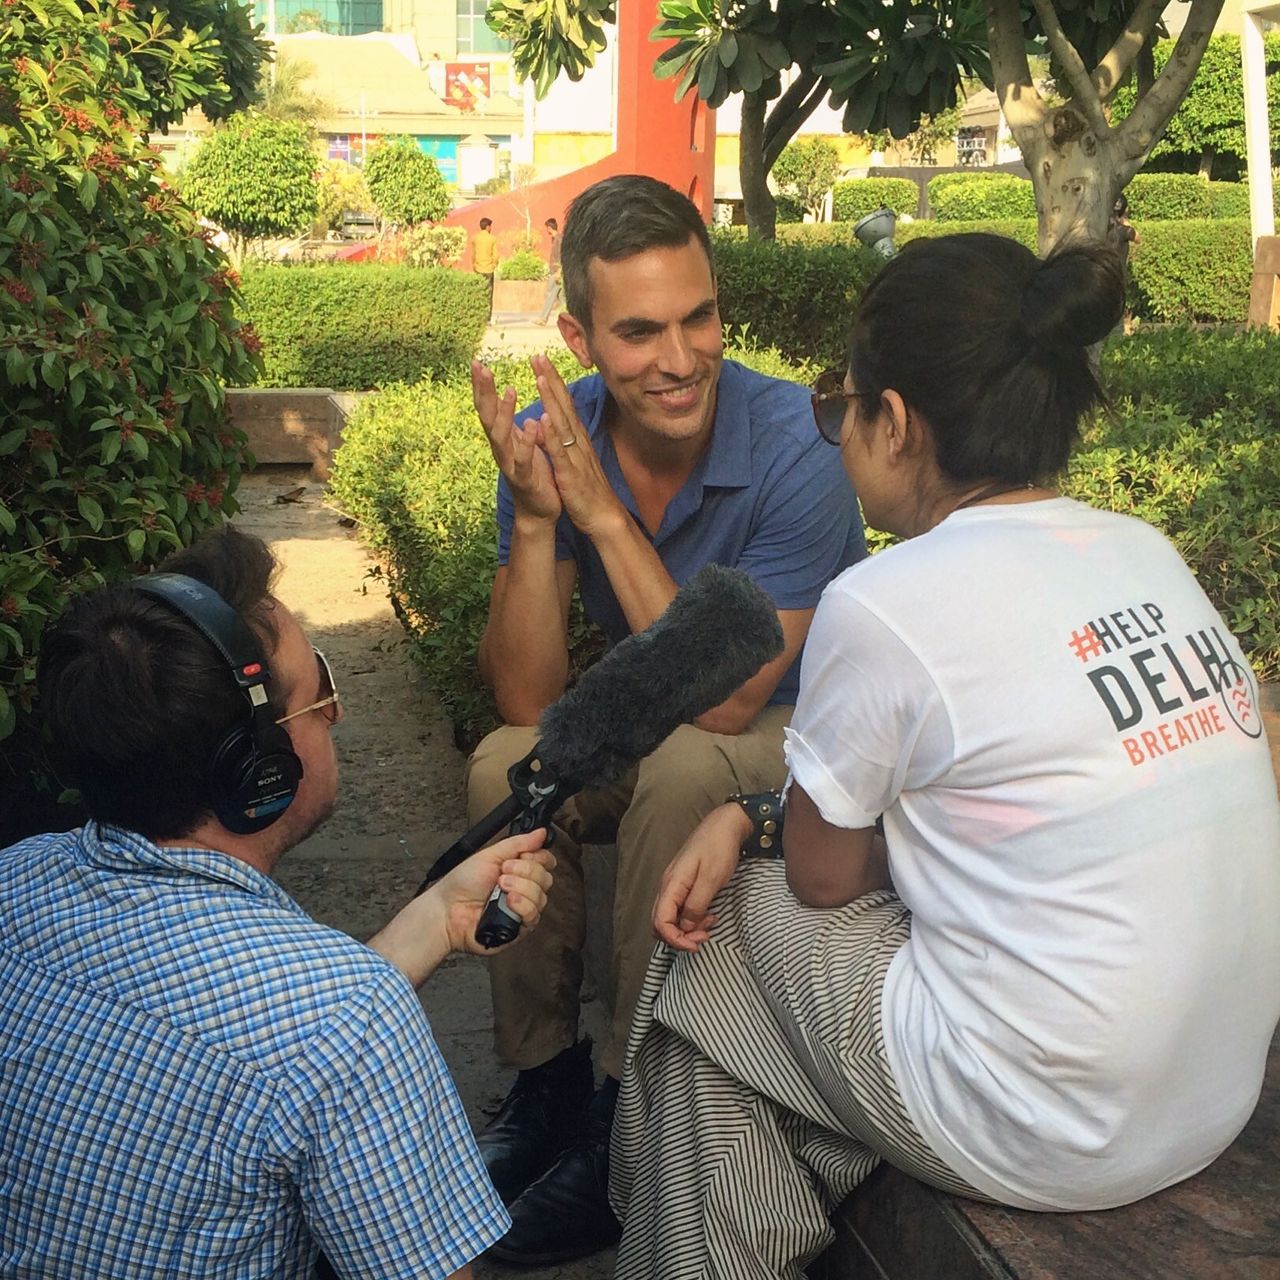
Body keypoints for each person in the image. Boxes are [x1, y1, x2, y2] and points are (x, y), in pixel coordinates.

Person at [608, 233, 1280, 1278]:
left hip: (1054, 1123)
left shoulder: (886, 601)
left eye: (843, 409)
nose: (834, 438)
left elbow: (821, 879)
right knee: (728, 1045)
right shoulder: (1142, 551)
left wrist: (759, 821)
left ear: (896, 423)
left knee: (719, 928)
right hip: (1207, 1090)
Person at [466, 172, 867, 1262]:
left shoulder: (799, 443)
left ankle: (634, 1118)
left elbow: (735, 688)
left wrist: (603, 514)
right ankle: (548, 1080)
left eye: (698, 317)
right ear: (577, 334)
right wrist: (548, 523)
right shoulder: (561, 435)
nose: (680, 357)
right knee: (508, 763)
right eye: (638, 332)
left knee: (691, 763)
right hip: (666, 706)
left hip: (800, 730)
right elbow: (525, 700)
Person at [0, 526, 555, 1280]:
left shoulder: (16, 880)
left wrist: (430, 923)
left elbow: (267, 1040)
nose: (334, 710)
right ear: (257, 768)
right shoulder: (345, 1017)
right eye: (318, 688)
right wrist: (368, 1000)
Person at [536, 215, 563, 325]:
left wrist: (559, 271)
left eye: (547, 227)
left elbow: (561, 256)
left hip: (557, 271)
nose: (546, 230)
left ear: (550, 228)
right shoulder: (555, 239)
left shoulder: (559, 239)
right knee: (562, 298)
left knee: (550, 294)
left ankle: (543, 318)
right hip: (556, 271)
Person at [474, 216, 498, 316]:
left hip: (478, 269)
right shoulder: (492, 239)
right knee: (489, 293)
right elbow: (496, 255)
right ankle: (487, 316)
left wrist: (474, 265)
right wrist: (493, 265)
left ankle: (478, 314)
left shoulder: (475, 238)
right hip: (488, 269)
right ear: (488, 227)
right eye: (490, 227)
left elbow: (473, 254)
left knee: (479, 292)